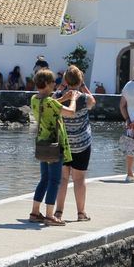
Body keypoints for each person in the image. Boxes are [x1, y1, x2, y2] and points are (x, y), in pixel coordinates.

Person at [28, 69, 76, 226]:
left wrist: (61, 98)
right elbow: (70, 113)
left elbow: (48, 106)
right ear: (48, 84)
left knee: (44, 178)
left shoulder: (34, 99)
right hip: (55, 144)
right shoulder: (51, 102)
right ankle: (50, 215)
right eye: (53, 82)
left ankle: (35, 212)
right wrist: (73, 99)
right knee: (55, 180)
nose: (55, 84)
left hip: (42, 143)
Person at [53, 66, 95, 222]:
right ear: (80, 80)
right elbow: (93, 101)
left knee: (63, 179)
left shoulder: (58, 96)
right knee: (79, 179)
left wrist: (63, 86)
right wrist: (83, 85)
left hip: (64, 144)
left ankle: (58, 212)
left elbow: (52, 100)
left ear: (65, 79)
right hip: (82, 144)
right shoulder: (84, 98)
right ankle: (81, 213)